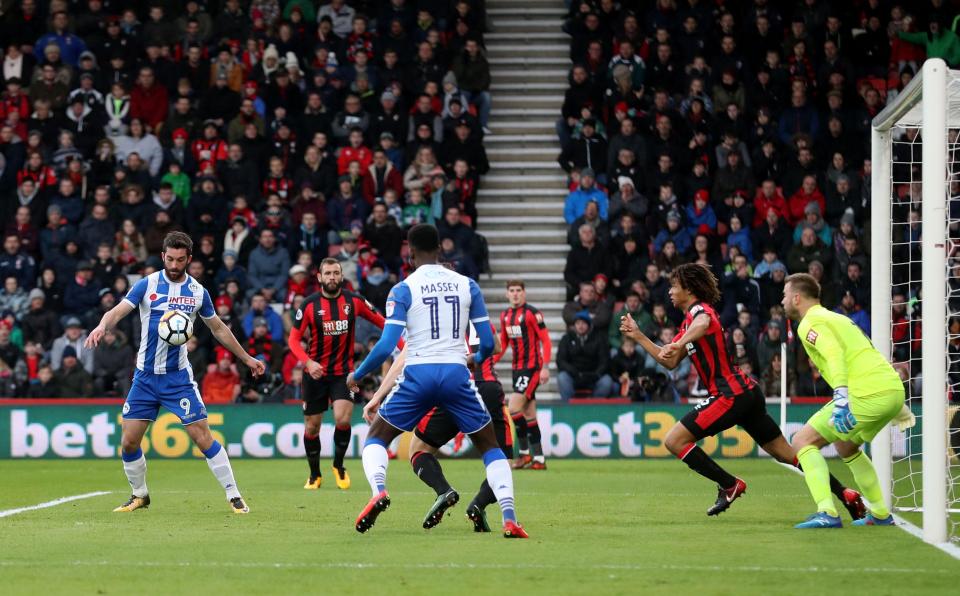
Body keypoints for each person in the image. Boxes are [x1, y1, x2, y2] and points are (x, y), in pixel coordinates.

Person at [620, 263, 865, 518]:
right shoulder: (687, 323)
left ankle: (729, 484)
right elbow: (668, 360)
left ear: (689, 289)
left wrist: (679, 342)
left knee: (674, 440)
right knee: (788, 454)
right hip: (745, 394)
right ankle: (845, 493)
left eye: (674, 285)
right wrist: (638, 336)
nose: (670, 291)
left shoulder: (700, 311)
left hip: (730, 395)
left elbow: (702, 324)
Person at [346, 224, 527, 538]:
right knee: (490, 447)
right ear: (440, 250)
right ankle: (509, 518)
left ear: (410, 253)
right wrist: (474, 358)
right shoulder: (467, 285)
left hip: (418, 375)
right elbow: (487, 343)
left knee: (376, 437)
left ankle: (378, 491)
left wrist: (358, 374)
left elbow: (388, 345)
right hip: (457, 375)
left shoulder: (402, 289)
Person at [85, 232, 266, 514]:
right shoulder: (148, 284)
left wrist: (246, 358)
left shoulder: (197, 292)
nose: (174, 264)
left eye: (180, 260)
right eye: (170, 258)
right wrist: (101, 326)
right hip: (144, 377)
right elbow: (118, 311)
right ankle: (139, 495)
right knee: (129, 440)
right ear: (163, 256)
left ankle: (234, 494)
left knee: (202, 436)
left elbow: (217, 328)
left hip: (177, 378)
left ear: (189, 260)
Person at [782, 273, 914, 528]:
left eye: (785, 295)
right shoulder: (836, 317)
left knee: (801, 440)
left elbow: (833, 353)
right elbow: (865, 351)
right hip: (888, 388)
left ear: (797, 298)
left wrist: (841, 395)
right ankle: (879, 513)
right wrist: (894, 401)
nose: (783, 301)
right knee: (846, 446)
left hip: (864, 392)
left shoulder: (810, 322)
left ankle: (827, 512)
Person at [373, 320, 512, 532]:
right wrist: (480, 359)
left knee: (418, 449)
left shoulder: (443, 320)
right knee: (501, 458)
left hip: (458, 388)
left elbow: (404, 357)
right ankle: (479, 505)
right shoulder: (479, 317)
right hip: (489, 388)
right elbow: (498, 346)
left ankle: (443, 490)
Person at [286, 258, 401, 490]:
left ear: (341, 276)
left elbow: (383, 323)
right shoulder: (309, 305)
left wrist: (404, 343)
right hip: (315, 373)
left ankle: (339, 466)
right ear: (319, 277)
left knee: (343, 419)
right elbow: (293, 340)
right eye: (327, 273)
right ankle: (315, 474)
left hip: (344, 374)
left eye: (336, 273)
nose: (331, 277)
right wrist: (308, 363)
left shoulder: (354, 301)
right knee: (312, 428)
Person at [494, 279, 552, 470]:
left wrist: (545, 367)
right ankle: (540, 459)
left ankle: (524, 455)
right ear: (507, 294)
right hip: (517, 369)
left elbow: (546, 341)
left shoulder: (532, 314)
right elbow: (502, 345)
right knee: (528, 414)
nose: (515, 293)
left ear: (524, 293)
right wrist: (490, 362)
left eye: (519, 290)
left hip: (532, 368)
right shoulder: (505, 316)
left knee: (512, 408)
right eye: (512, 290)